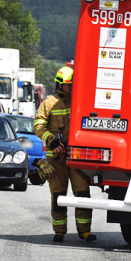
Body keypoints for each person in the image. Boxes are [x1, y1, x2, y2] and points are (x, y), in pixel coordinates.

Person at [33, 66, 96, 243]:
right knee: (58, 196)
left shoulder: (82, 101)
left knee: (83, 196)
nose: (73, 87)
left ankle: (84, 231)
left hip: (77, 159)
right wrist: (52, 141)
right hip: (56, 159)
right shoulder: (49, 103)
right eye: (70, 85)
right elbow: (38, 126)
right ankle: (59, 231)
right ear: (60, 85)